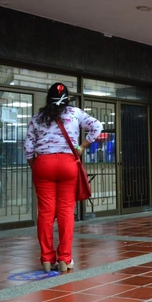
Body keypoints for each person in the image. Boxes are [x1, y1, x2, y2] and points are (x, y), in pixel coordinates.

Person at [24, 83, 103, 273]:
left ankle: (46, 259)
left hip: (43, 164)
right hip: (68, 164)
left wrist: (36, 166)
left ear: (47, 98)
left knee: (45, 213)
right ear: (67, 99)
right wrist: (82, 146)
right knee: (66, 212)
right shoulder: (75, 113)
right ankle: (65, 259)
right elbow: (97, 126)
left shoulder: (38, 118)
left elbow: (28, 147)